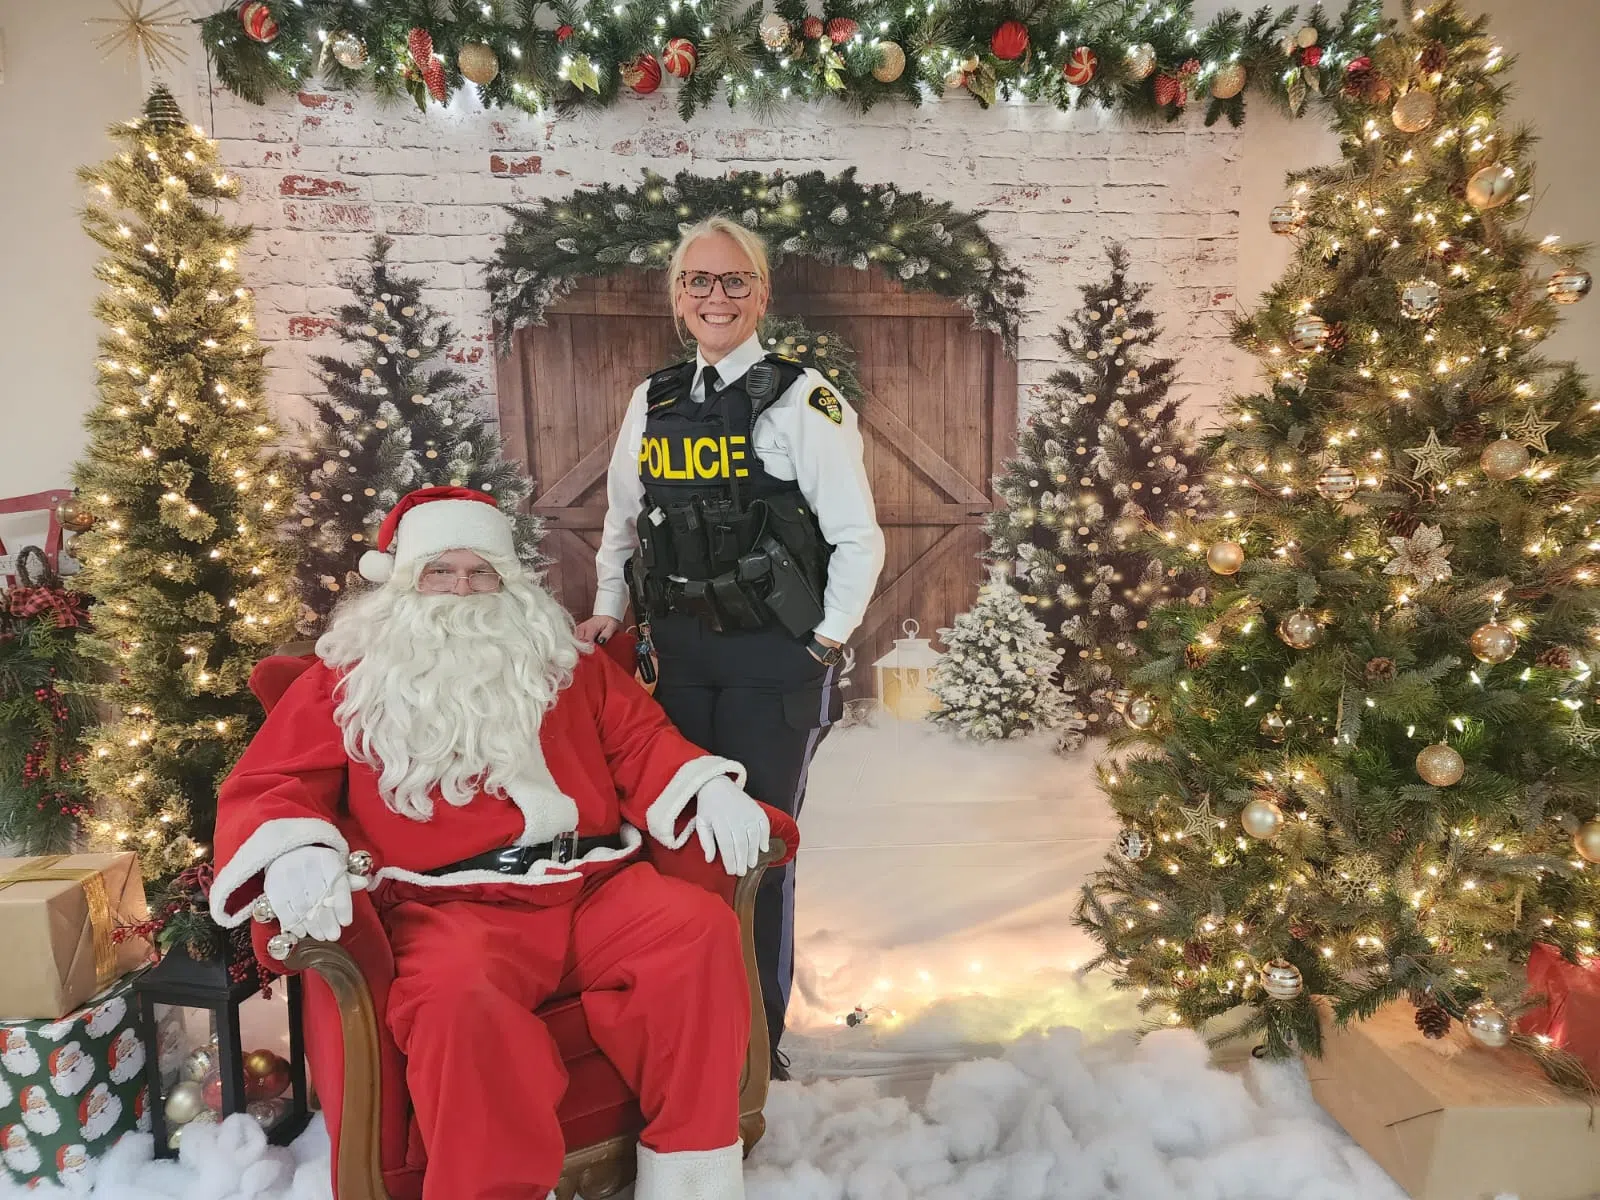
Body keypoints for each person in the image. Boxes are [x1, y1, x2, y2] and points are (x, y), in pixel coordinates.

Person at [208, 485, 772, 1200]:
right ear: (403, 581)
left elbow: (639, 741)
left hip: (593, 885)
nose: (463, 589)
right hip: (451, 907)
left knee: (695, 931)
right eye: (441, 571)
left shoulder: (565, 660)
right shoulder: (346, 680)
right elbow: (275, 778)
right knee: (458, 1003)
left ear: (509, 580)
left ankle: (693, 1178)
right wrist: (293, 848)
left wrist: (703, 786)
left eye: (482, 572)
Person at [574, 216, 884, 1078]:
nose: (717, 297)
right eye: (700, 282)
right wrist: (607, 608)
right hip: (675, 659)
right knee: (674, 845)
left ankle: (756, 1042)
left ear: (761, 294)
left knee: (759, 851)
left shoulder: (802, 398)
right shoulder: (656, 399)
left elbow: (858, 537)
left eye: (735, 281)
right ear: (678, 296)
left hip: (772, 660)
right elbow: (624, 524)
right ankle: (685, 1026)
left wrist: (824, 643)